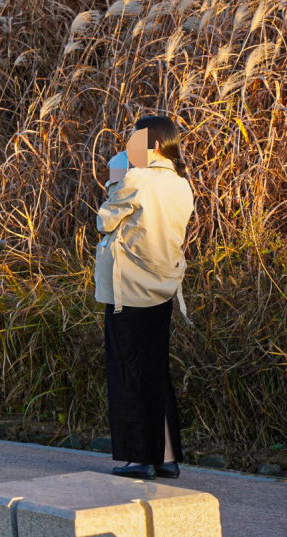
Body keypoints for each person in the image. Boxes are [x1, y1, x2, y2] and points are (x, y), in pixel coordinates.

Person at [94, 115, 193, 480]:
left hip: (129, 289)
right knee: (154, 371)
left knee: (129, 371)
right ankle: (166, 456)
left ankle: (141, 459)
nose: (128, 145)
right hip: (163, 286)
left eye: (134, 139)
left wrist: (114, 180)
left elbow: (104, 221)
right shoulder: (181, 184)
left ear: (150, 144)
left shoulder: (134, 178)